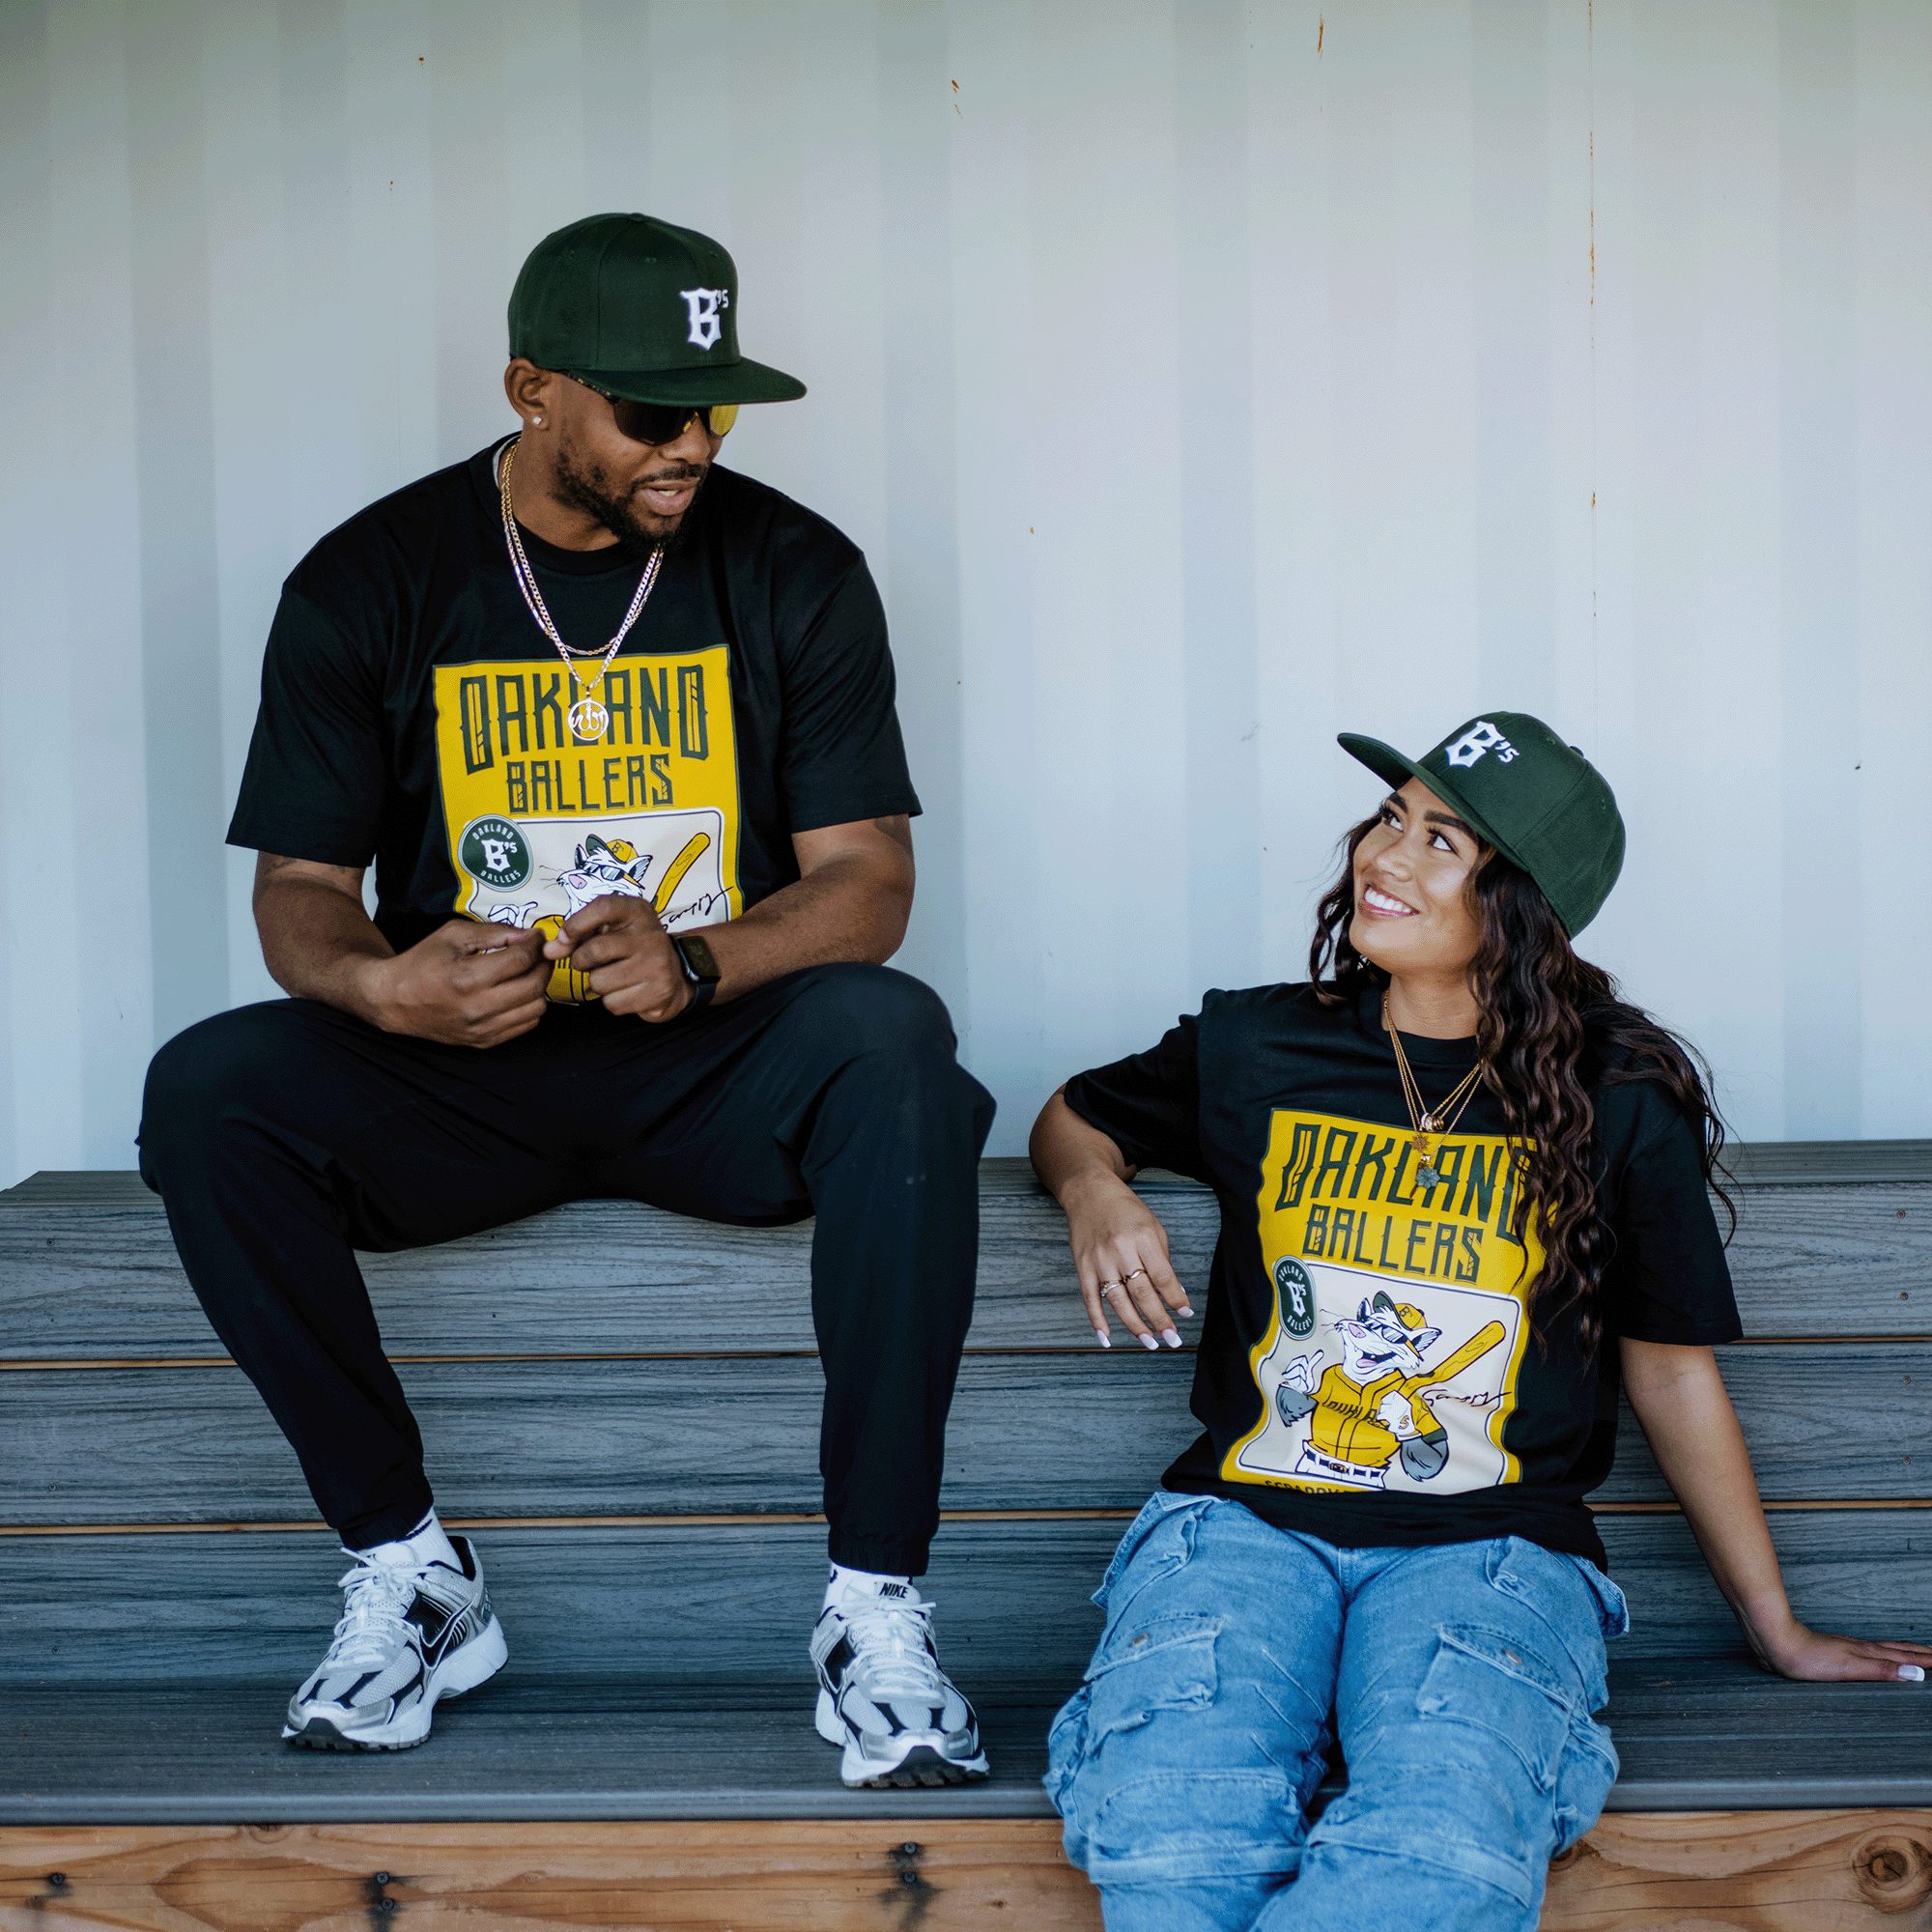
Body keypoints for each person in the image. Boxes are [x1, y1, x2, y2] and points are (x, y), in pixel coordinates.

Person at [137, 213, 992, 1789]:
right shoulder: (369, 580)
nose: (695, 446)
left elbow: (866, 878)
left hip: (706, 1059)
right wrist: (384, 990)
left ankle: (875, 1609)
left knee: (899, 1047)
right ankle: (413, 1569)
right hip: (470, 1072)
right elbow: (299, 896)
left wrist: (707, 956)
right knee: (209, 1087)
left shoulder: (793, 568)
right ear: (532, 389)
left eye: (718, 411)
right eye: (654, 415)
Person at [1028, 712, 1931, 1929]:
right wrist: (1093, 1187)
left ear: (1518, 905)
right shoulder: (1256, 1042)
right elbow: (1074, 1115)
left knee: (1438, 1852)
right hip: (1242, 1525)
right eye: (1390, 818)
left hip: (1488, 1544)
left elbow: (1666, 1373)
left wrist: (1775, 1628)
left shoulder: (1615, 1099)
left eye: (1439, 840)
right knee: (1171, 1826)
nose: (1383, 857)